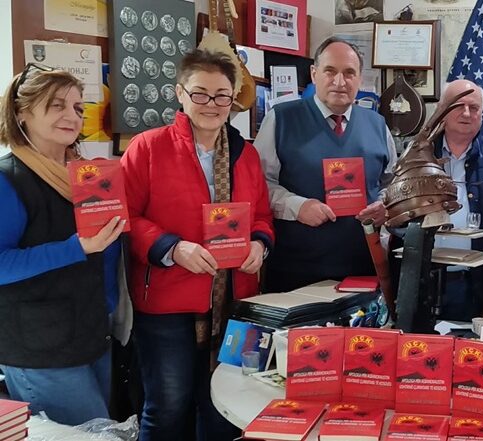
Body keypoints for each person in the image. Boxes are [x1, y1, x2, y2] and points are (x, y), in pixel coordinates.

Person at [121, 49, 275, 440]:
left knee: (225, 409)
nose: (212, 104)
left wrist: (259, 244)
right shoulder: (147, 147)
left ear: (234, 99)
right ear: (180, 93)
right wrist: (173, 249)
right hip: (167, 303)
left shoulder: (247, 154)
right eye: (200, 93)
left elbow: (262, 215)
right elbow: (127, 218)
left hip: (235, 303)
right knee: (168, 407)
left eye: (222, 95)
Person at [0, 64, 125, 425]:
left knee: (99, 429)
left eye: (78, 109)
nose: (72, 116)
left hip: (89, 332)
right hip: (39, 347)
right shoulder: (9, 179)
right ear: (22, 113)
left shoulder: (86, 177)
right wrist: (76, 247)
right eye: (57, 106)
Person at [254, 37, 396, 293]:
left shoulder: (377, 124)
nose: (340, 82)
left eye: (349, 73)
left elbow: (393, 184)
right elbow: (258, 185)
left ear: (359, 78)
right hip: (296, 271)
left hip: (363, 268)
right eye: (330, 71)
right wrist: (297, 207)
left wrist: (385, 205)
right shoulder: (281, 119)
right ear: (314, 73)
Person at [401, 79, 483, 320]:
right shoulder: (416, 154)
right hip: (424, 279)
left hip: (478, 283)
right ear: (441, 111)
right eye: (458, 105)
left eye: (474, 107)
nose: (467, 113)